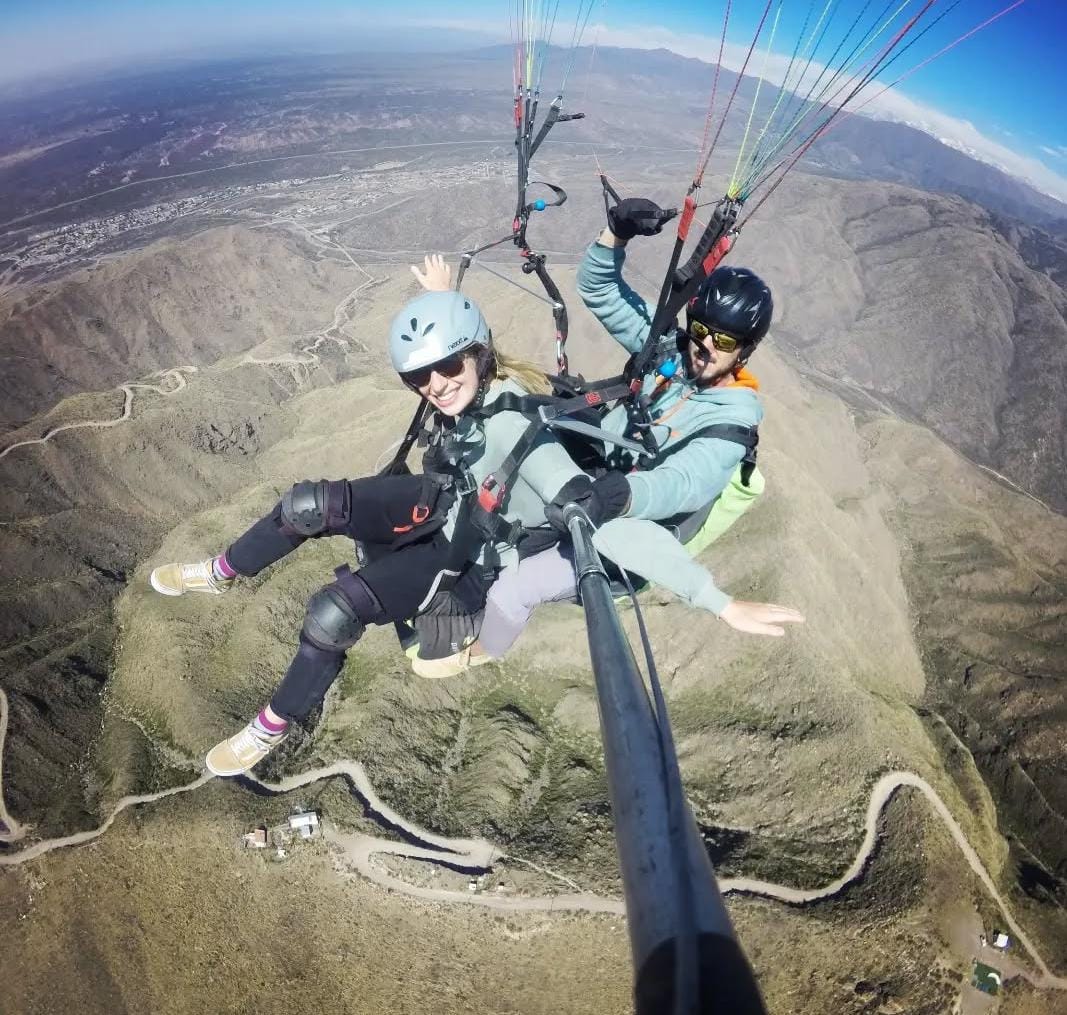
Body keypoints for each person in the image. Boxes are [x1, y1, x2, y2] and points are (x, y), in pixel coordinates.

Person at [150, 286, 632, 775]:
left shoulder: (510, 422)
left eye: (448, 368)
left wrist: (587, 502)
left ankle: (272, 725)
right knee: (307, 505)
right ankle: (222, 571)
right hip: (444, 499)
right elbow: (455, 356)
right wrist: (443, 295)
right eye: (421, 376)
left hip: (468, 553)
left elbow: (560, 479)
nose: (436, 385)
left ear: (478, 357)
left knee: (332, 615)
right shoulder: (483, 381)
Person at [411, 201, 803, 677]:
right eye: (701, 332)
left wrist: (625, 496)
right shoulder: (671, 358)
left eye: (723, 343)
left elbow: (683, 484)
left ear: (746, 349)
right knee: (512, 411)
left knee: (513, 591)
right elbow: (599, 289)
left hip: (632, 530)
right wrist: (615, 233)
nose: (704, 349)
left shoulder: (730, 427)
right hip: (595, 479)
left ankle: (482, 650)